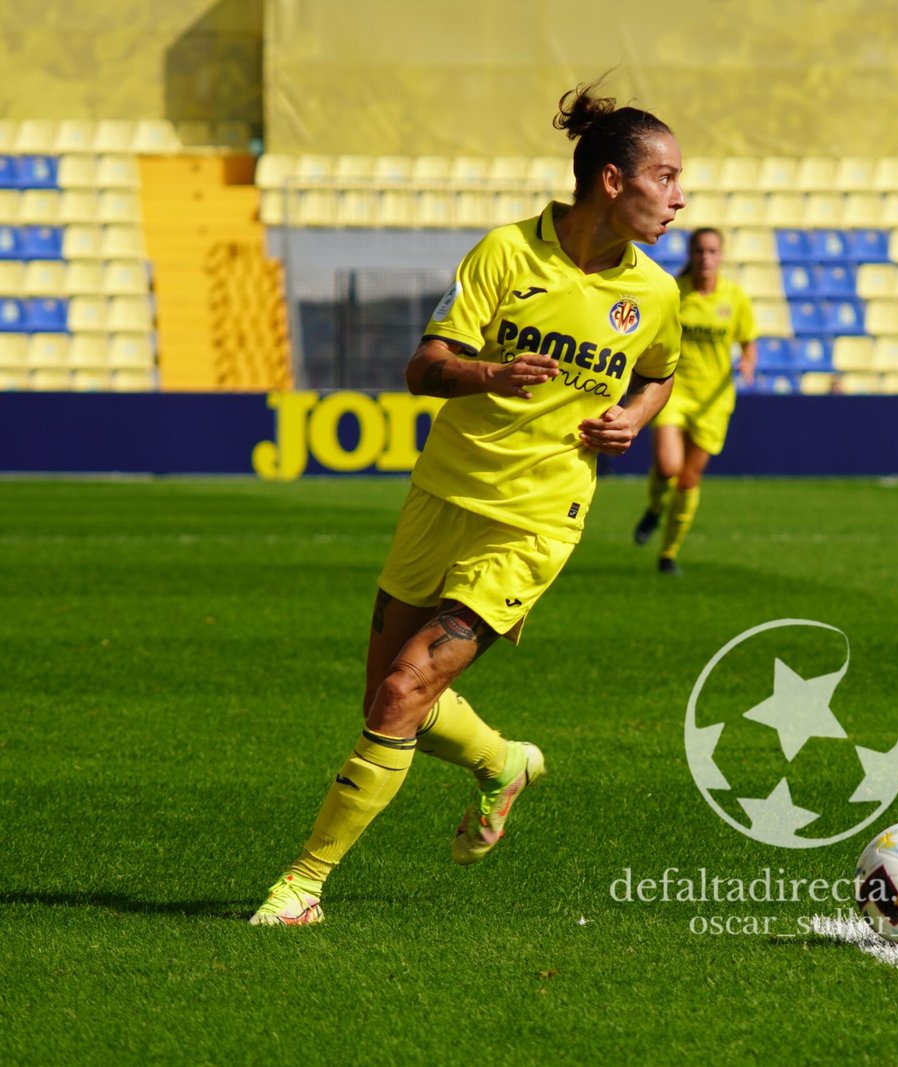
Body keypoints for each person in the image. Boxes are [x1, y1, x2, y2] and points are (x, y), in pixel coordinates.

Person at [250, 81, 684, 925]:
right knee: (384, 694)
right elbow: (424, 369)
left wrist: (631, 416)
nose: (678, 196)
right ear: (609, 180)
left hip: (534, 519)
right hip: (443, 493)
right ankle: (503, 762)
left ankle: (303, 883)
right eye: (663, 177)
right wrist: (490, 373)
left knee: (407, 688)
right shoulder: (506, 255)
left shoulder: (655, 294)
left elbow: (662, 372)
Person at [632, 227, 757, 575]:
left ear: (721, 256)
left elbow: (748, 340)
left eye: (712, 251)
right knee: (668, 467)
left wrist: (748, 360)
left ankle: (668, 553)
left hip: (714, 400)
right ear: (691, 254)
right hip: (675, 390)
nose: (706, 258)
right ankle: (655, 508)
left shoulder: (734, 298)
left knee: (688, 480)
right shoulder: (675, 293)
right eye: (700, 251)